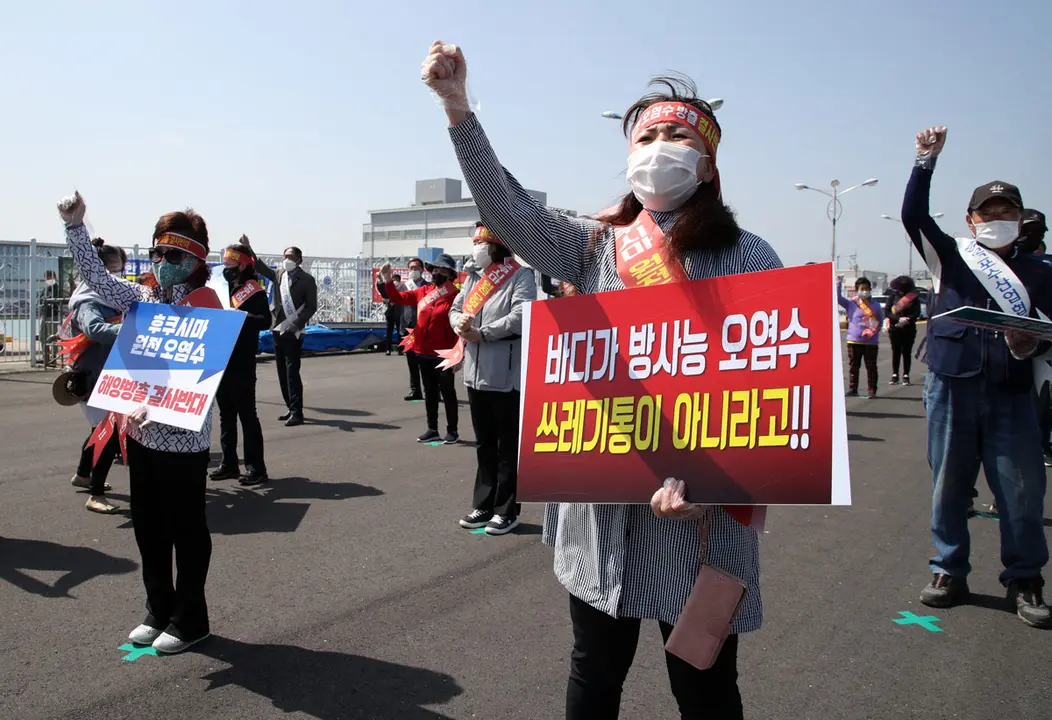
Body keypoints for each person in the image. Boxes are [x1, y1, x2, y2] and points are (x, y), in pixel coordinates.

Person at [425, 41, 781, 718]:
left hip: (699, 515)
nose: (659, 146)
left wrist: (718, 484)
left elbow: (780, 388)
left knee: (703, 686)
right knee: (594, 677)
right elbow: (508, 212)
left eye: (677, 135)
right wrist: (457, 107)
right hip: (605, 513)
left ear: (707, 163)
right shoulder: (595, 246)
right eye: (646, 135)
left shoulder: (750, 258)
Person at [57, 191, 221, 653]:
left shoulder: (207, 304)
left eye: (171, 254)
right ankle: (158, 608)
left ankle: (191, 619)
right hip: (140, 432)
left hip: (183, 440)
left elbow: (201, 377)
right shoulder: (145, 297)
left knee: (185, 528)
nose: (161, 261)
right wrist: (75, 227)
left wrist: (164, 403)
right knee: (148, 526)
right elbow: (97, 279)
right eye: (156, 252)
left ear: (194, 259)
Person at [903, 125, 1051, 629]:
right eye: (988, 214)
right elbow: (913, 215)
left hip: (1011, 392)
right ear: (970, 219)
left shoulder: (1040, 271)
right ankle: (948, 570)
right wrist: (925, 162)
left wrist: (1034, 342)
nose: (998, 220)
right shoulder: (950, 255)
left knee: (1023, 490)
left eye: (1007, 212)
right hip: (952, 383)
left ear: (1019, 219)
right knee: (948, 485)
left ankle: (1026, 579)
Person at [450, 223, 535, 535]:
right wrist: (458, 323)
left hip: (506, 376)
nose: (476, 248)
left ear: (495, 245)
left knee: (508, 446)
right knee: (484, 444)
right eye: (474, 242)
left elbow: (522, 316)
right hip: (475, 375)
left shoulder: (520, 275)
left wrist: (482, 333)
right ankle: (483, 504)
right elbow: (456, 309)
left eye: (479, 242)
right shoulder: (472, 277)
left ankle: (507, 509)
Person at [67, 238, 126, 513]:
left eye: (119, 270)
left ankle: (83, 474)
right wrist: (129, 331)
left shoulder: (113, 297)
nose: (117, 276)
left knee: (99, 430)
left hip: (108, 375)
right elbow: (94, 330)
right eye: (112, 270)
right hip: (92, 378)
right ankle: (96, 494)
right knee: (108, 433)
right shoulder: (89, 300)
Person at [379, 254, 460, 444]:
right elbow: (397, 297)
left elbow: (458, 325)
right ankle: (432, 429)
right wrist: (388, 279)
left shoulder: (455, 295)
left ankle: (452, 431)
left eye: (441, 270)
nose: (436, 273)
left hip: (445, 353)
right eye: (434, 269)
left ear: (450, 274)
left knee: (447, 392)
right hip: (423, 351)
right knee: (429, 392)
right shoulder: (424, 291)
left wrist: (459, 353)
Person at [209, 240, 271, 486]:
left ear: (243, 265)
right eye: (224, 263)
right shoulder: (221, 289)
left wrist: (242, 317)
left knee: (247, 415)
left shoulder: (253, 289)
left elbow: (264, 320)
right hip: (222, 357)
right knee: (226, 414)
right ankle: (229, 463)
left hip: (242, 359)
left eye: (231, 264)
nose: (227, 268)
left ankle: (256, 468)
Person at [254, 246, 317, 427]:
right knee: (281, 372)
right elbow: (261, 268)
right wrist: (248, 248)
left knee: (292, 372)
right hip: (277, 329)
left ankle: (298, 412)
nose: (287, 259)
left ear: (299, 260)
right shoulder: (279, 274)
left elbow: (311, 306)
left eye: (291, 256)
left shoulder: (307, 280)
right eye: (285, 255)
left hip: (293, 331)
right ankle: (290, 407)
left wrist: (296, 323)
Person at [837, 276, 884, 398]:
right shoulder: (852, 303)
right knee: (854, 366)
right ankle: (853, 388)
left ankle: (872, 389)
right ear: (857, 290)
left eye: (867, 288)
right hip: (854, 340)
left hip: (870, 342)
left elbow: (880, 321)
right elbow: (837, 298)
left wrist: (872, 331)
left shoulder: (876, 306)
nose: (864, 291)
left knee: (871, 366)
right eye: (862, 288)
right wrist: (838, 282)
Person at [884, 275, 921, 385]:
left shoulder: (913, 297)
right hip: (895, 328)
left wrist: (908, 319)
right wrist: (898, 318)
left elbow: (917, 312)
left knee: (907, 352)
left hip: (908, 328)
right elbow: (887, 311)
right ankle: (895, 374)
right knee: (896, 351)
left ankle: (906, 374)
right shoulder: (893, 296)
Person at [39, 269, 63, 367]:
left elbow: (53, 300)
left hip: (53, 315)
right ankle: (45, 357)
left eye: (50, 277)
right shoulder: (45, 289)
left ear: (55, 278)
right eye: (47, 278)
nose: (49, 279)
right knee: (42, 337)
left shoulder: (57, 288)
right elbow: (41, 300)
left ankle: (53, 358)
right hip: (44, 315)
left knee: (52, 337)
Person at [384, 273, 403, 355]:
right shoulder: (388, 289)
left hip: (399, 313)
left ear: (399, 280)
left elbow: (404, 298)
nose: (395, 281)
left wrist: (396, 300)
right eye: (393, 279)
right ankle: (388, 349)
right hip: (390, 313)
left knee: (400, 332)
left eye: (396, 279)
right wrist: (390, 301)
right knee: (389, 332)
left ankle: (400, 349)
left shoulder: (402, 288)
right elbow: (384, 300)